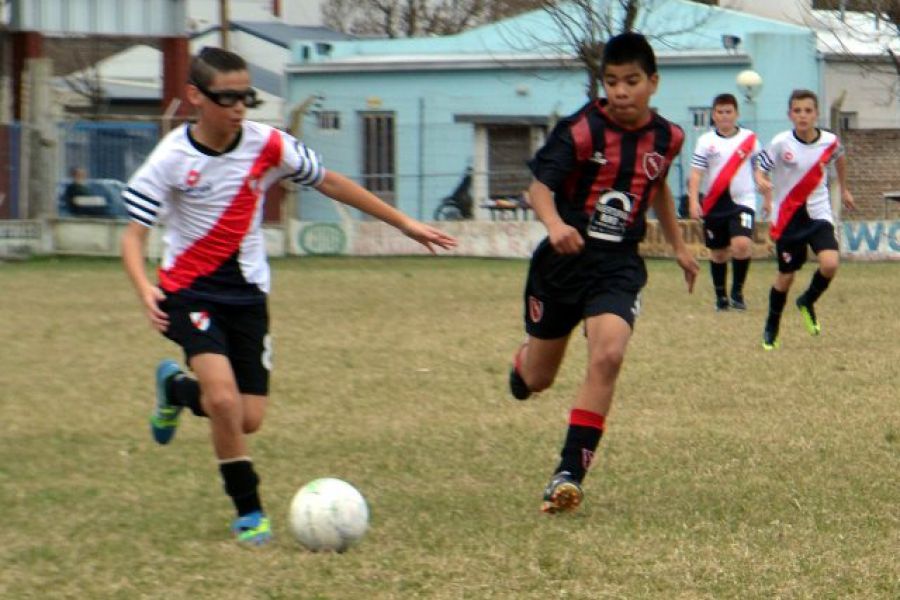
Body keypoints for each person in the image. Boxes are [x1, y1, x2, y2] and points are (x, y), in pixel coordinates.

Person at [120, 47, 456, 545]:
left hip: (249, 295)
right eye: (227, 97)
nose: (238, 108)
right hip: (189, 291)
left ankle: (174, 389)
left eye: (246, 97)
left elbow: (334, 183)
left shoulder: (269, 145)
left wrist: (404, 223)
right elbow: (133, 235)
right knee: (223, 397)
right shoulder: (171, 157)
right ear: (195, 96)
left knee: (247, 417)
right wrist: (144, 285)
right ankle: (250, 509)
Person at [506, 33, 699, 514]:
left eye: (632, 81)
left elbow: (655, 189)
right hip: (562, 264)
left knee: (608, 353)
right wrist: (554, 225)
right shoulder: (580, 131)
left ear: (652, 83)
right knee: (538, 378)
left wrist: (679, 246)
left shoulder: (669, 137)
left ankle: (568, 474)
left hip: (617, 265)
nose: (621, 92)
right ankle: (523, 364)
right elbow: (539, 188)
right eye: (611, 81)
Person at [755, 89, 855, 351]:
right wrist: (761, 181)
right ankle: (772, 324)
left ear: (816, 114)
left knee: (830, 263)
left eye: (808, 111)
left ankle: (807, 300)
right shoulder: (780, 143)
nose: (803, 116)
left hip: (818, 214)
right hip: (788, 218)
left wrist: (843, 188)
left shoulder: (829, 141)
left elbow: (840, 158)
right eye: (797, 111)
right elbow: (760, 167)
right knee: (785, 277)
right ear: (790, 114)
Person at [687, 93, 764, 311]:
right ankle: (721, 296)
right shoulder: (705, 142)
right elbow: (696, 174)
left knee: (741, 244)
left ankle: (737, 292)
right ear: (713, 115)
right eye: (720, 112)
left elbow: (760, 167)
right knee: (719, 253)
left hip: (743, 201)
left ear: (736, 114)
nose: (724, 116)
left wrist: (761, 183)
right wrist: (694, 201)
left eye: (728, 112)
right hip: (715, 204)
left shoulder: (750, 139)